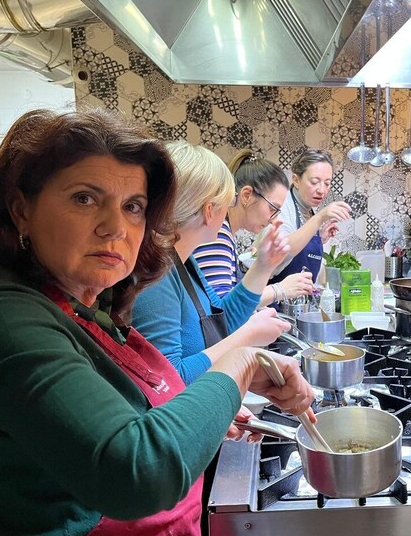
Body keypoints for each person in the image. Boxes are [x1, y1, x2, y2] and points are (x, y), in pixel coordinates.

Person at [0, 109, 315, 536]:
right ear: (22, 210)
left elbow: (110, 412)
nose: (115, 227)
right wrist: (242, 362)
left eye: (132, 206)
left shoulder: (81, 302)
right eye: (84, 198)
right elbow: (138, 473)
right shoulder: (0, 317)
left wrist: (206, 414)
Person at [132, 142, 292, 386]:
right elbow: (167, 381)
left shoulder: (184, 262)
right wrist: (248, 335)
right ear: (209, 211)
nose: (228, 212)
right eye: (227, 203)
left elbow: (222, 320)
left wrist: (263, 266)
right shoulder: (156, 274)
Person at [192, 149, 314, 305]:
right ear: (246, 195)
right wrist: (280, 289)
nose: (274, 220)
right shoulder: (217, 234)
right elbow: (219, 309)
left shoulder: (226, 232)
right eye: (272, 208)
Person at [270, 148, 352, 284]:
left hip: (301, 295)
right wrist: (319, 217)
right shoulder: (282, 206)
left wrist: (320, 237)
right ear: (296, 180)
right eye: (314, 182)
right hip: (276, 295)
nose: (322, 190)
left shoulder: (307, 209)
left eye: (327, 183)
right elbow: (280, 252)